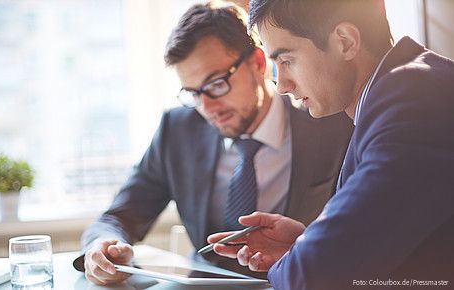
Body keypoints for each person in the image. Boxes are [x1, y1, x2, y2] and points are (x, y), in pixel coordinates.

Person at [73, 1, 353, 285]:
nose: (207, 107)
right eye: (194, 93)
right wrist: (102, 247)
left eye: (217, 84)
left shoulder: (331, 125)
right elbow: (118, 217)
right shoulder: (177, 131)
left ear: (258, 64)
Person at [208, 0, 454, 289]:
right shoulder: (397, 92)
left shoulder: (411, 101)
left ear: (345, 42)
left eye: (286, 60)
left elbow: (315, 273)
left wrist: (307, 255)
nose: (282, 84)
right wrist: (305, 242)